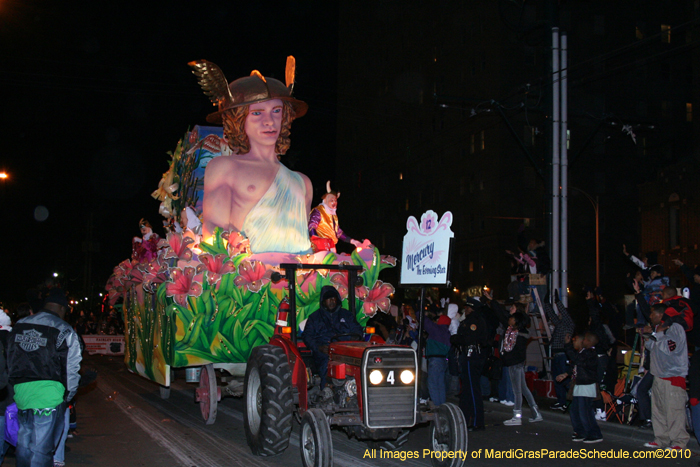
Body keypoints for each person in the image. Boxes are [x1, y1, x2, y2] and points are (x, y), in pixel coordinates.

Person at [190, 58, 312, 254]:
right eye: (257, 113)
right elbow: (214, 229)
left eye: (277, 111)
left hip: (298, 279)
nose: (269, 121)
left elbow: (302, 242)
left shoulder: (303, 182)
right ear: (238, 120)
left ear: (285, 116)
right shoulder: (224, 167)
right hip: (249, 278)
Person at [7, 289, 82, 467]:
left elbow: (9, 357)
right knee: (41, 449)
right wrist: (68, 396)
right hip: (50, 395)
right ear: (62, 309)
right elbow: (72, 367)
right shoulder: (64, 330)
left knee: (24, 445)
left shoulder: (19, 325)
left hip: (22, 393)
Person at [642, 304, 689, 450]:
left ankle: (679, 442)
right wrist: (648, 336)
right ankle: (661, 439)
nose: (650, 317)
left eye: (652, 313)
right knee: (659, 411)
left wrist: (658, 334)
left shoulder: (675, 327)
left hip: (672, 377)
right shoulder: (661, 328)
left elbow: (670, 348)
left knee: (674, 411)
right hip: (659, 376)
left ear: (660, 314)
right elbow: (652, 347)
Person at [302, 285, 364, 390]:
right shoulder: (315, 318)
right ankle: (326, 391)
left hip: (346, 351)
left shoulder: (347, 315)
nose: (332, 301)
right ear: (323, 301)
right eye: (328, 298)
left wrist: (351, 344)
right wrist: (319, 348)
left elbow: (357, 331)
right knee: (327, 364)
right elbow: (307, 336)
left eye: (334, 298)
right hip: (325, 352)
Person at [450, 298, 488, 431]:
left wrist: (455, 338)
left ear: (472, 308)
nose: (465, 309)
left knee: (472, 390)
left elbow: (469, 338)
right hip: (467, 356)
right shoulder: (469, 320)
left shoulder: (475, 320)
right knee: (466, 391)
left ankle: (478, 421)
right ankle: (464, 420)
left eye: (467, 307)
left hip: (472, 356)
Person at [565, 332, 604, 443]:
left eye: (585, 339)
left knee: (585, 411)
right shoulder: (583, 353)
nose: (583, 341)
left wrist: (568, 345)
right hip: (580, 384)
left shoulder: (590, 353)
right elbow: (576, 365)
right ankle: (581, 432)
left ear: (590, 342)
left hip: (587, 385)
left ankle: (594, 433)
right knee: (575, 411)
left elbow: (577, 360)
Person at [308, 182, 365, 253]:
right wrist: (317, 239)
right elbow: (312, 226)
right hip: (320, 248)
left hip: (331, 247)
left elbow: (338, 232)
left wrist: (353, 241)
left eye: (335, 201)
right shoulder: (319, 211)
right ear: (325, 200)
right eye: (332, 200)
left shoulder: (333, 215)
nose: (334, 203)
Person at [545, 292, 575, 412]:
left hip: (563, 354)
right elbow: (552, 315)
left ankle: (571, 400)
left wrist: (557, 301)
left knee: (565, 379)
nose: (559, 315)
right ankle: (561, 402)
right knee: (557, 379)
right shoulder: (560, 324)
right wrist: (547, 304)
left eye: (562, 313)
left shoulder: (569, 324)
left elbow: (564, 314)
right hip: (557, 355)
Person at [420, 306, 451, 406]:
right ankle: (442, 405)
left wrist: (418, 311)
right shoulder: (446, 332)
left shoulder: (437, 330)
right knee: (440, 384)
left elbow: (426, 322)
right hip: (443, 361)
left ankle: (437, 406)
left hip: (435, 360)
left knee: (432, 384)